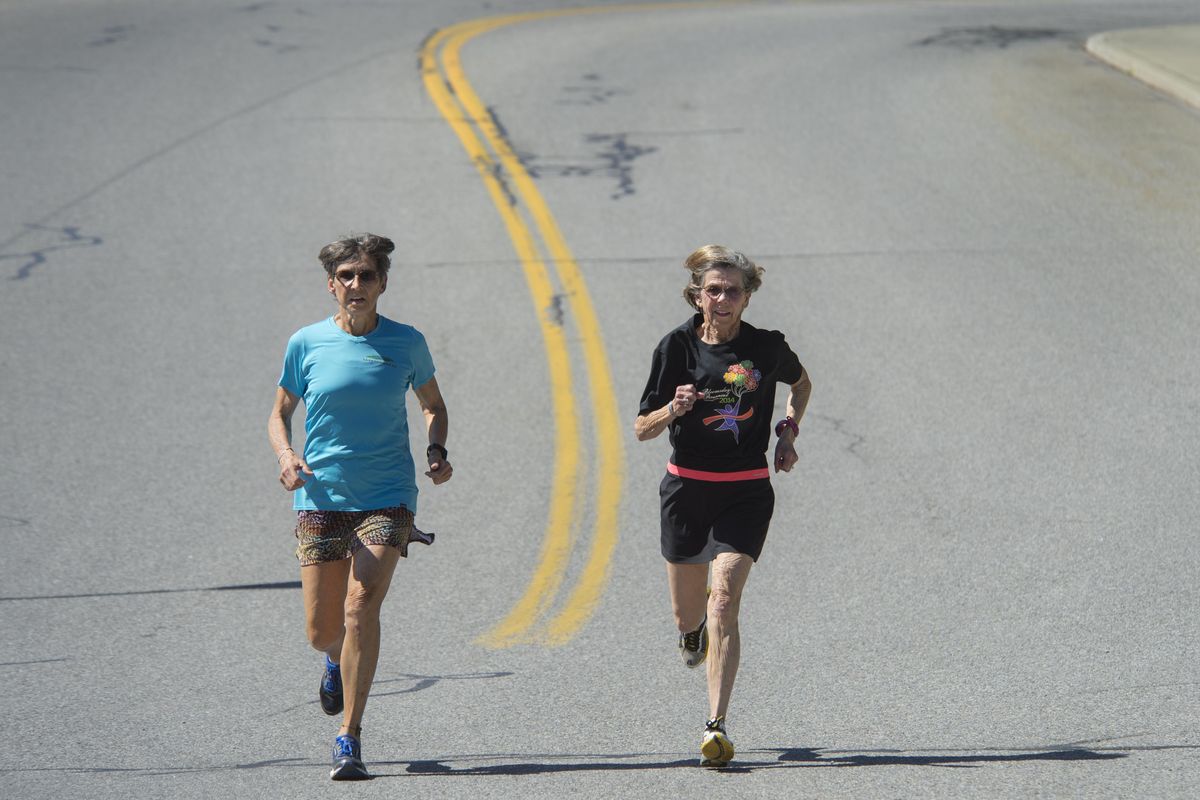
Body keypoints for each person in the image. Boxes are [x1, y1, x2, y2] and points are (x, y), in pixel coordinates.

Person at [267, 233, 453, 780]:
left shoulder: (406, 343)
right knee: (324, 630)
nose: (356, 285)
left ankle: (348, 736)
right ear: (331, 286)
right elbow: (279, 412)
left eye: (366, 276)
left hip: (388, 495)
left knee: (359, 608)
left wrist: (437, 450)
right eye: (346, 276)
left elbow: (434, 405)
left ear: (382, 284)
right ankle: (333, 660)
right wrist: (286, 455)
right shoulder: (306, 344)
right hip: (321, 495)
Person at [635, 244, 811, 768]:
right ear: (697, 295)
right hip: (686, 490)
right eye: (713, 290)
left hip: (746, 489)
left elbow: (801, 384)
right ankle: (692, 636)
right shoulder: (674, 348)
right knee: (690, 614)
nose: (723, 298)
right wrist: (674, 407)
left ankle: (716, 725)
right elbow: (641, 429)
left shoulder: (767, 347)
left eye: (733, 290)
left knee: (724, 602)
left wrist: (787, 430)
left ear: (748, 297)